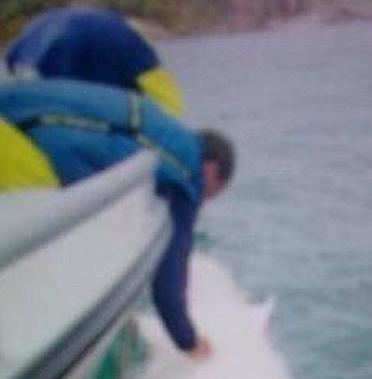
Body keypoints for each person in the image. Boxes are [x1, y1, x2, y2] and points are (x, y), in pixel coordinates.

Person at [0, 78, 235, 357]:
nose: (203, 201)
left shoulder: (162, 128)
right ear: (211, 171)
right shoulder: (188, 172)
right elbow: (168, 278)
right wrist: (189, 342)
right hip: (49, 143)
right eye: (212, 193)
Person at [5, 5, 184, 116]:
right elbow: (168, 103)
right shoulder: (131, 41)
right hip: (68, 54)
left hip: (35, 53)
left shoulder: (40, 26)